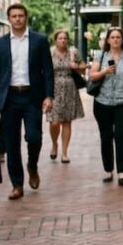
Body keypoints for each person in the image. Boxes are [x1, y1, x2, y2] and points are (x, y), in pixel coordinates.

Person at [0, 4, 54, 200]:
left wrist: (48, 96)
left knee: (34, 137)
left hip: (31, 96)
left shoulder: (39, 40)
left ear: (26, 17)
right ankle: (17, 184)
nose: (18, 19)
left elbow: (47, 70)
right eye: (14, 16)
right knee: (11, 144)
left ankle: (33, 165)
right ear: (8, 19)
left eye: (21, 16)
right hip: (9, 97)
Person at [89, 27, 123, 186]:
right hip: (102, 102)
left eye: (118, 37)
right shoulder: (101, 55)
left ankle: (122, 172)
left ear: (122, 40)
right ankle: (108, 169)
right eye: (113, 37)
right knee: (105, 137)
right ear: (108, 40)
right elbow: (92, 75)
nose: (116, 40)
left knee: (120, 135)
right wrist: (105, 71)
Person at [47, 30, 86, 163]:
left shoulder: (73, 52)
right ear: (55, 40)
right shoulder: (50, 52)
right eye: (60, 38)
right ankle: (54, 144)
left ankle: (64, 152)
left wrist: (76, 66)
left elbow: (83, 66)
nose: (63, 40)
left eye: (65, 38)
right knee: (54, 122)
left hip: (70, 88)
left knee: (67, 121)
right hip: (54, 89)